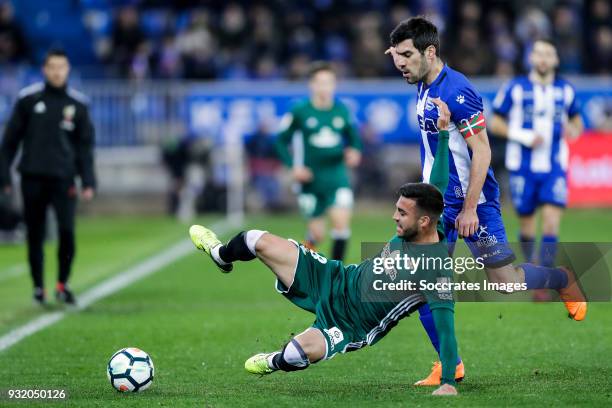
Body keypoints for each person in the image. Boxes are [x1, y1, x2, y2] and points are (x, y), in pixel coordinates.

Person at [190, 99, 459, 396]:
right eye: (397, 209)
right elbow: (438, 185)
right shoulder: (432, 219)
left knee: (295, 353)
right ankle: (220, 254)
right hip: (335, 278)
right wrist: (443, 135)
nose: (394, 216)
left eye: (402, 213)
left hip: (350, 323)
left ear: (423, 222)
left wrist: (447, 382)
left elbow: (446, 331)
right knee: (255, 239)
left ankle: (274, 361)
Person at [385, 17, 587, 386]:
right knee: (424, 283)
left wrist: (470, 208)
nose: (400, 63)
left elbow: (482, 151)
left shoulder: (458, 92)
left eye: (407, 55)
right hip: (436, 206)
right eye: (396, 55)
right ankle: (451, 364)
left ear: (430, 52)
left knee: (505, 282)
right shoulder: (421, 81)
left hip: (473, 203)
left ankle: (561, 278)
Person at [0, 48, 96, 306]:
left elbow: (85, 148)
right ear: (44, 69)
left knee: (67, 231)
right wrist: (4, 177)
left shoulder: (78, 105)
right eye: (52, 67)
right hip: (32, 177)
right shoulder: (28, 100)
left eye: (61, 67)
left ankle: (62, 284)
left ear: (68, 70)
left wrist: (88, 181)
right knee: (35, 233)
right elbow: (9, 143)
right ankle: (38, 287)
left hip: (64, 179)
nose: (56, 72)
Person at [489, 39, 584, 301]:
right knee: (528, 225)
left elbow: (577, 120)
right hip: (522, 167)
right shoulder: (515, 88)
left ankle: (545, 280)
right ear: (531, 58)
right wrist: (522, 135)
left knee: (552, 222)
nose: (543, 59)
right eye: (539, 54)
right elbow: (495, 122)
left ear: (555, 60)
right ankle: (533, 272)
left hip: (554, 166)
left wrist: (574, 130)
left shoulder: (565, 90)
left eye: (548, 54)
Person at [275, 61, 362, 261]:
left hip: (337, 175)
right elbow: (280, 141)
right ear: (312, 85)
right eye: (320, 82)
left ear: (334, 85)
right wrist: (293, 167)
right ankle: (302, 268)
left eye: (329, 83)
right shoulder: (299, 111)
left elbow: (354, 138)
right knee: (317, 234)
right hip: (310, 179)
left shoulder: (342, 110)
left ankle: (335, 276)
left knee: (341, 225)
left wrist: (355, 151)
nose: (325, 87)